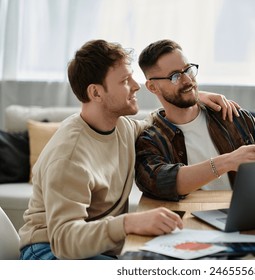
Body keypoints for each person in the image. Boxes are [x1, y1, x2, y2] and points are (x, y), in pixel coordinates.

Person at [18, 39, 239, 260]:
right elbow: (65, 242)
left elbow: (158, 122)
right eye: (125, 80)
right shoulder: (70, 156)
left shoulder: (122, 127)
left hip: (99, 249)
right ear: (96, 93)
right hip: (48, 251)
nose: (136, 85)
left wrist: (194, 97)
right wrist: (129, 223)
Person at [135, 39, 255, 201]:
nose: (187, 80)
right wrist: (228, 161)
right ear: (152, 87)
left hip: (248, 217)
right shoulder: (151, 139)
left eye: (188, 70)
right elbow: (159, 182)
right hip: (188, 225)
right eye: (174, 76)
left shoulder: (232, 117)